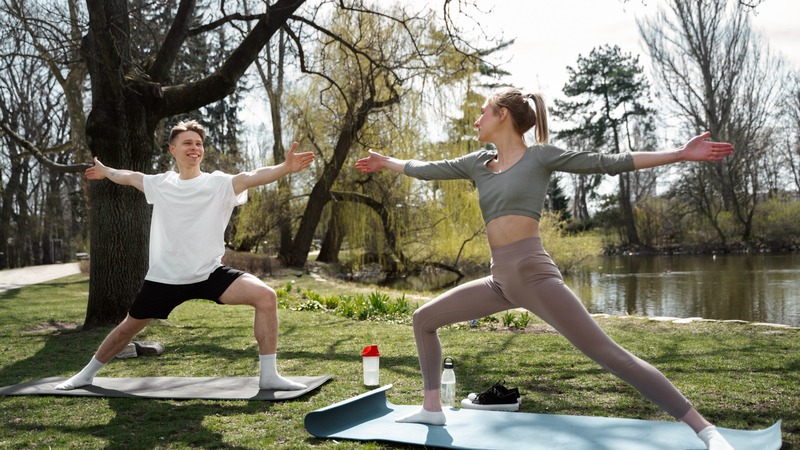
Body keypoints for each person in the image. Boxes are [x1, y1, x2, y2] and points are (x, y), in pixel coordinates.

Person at [355, 88, 735, 450]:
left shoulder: (541, 157)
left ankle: (706, 430)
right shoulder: (476, 163)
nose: (476, 119)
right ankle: (432, 409)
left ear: (501, 115)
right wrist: (385, 162)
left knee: (610, 354)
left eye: (483, 112)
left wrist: (681, 155)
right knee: (424, 319)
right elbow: (427, 169)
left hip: (535, 276)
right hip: (500, 281)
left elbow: (609, 163)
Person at [56, 119, 315, 392]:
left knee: (266, 296)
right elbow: (130, 177)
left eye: (199, 143)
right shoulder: (162, 183)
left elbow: (252, 176)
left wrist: (285, 168)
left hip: (208, 273)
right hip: (165, 277)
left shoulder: (219, 183)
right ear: (172, 150)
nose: (195, 148)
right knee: (127, 329)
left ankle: (269, 375)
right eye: (188, 143)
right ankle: (85, 375)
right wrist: (106, 171)